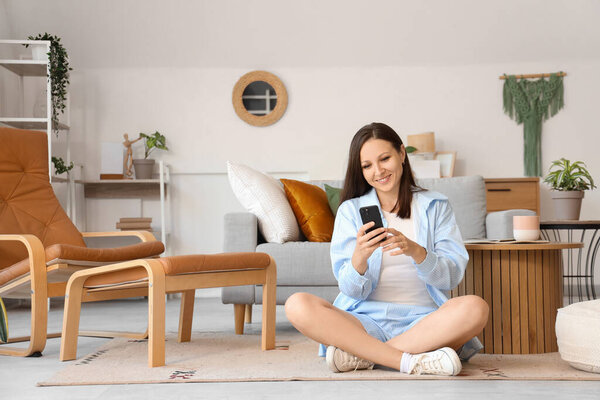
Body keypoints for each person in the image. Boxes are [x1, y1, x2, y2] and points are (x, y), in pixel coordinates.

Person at [285, 122, 488, 376]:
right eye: (367, 166)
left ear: (401, 154)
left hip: (423, 323)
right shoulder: (350, 211)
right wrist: (359, 257)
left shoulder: (435, 206)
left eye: (384, 159)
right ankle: (410, 361)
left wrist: (417, 252)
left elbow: (452, 277)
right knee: (297, 304)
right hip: (364, 322)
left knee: (475, 308)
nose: (378, 171)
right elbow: (350, 290)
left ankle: (365, 356)